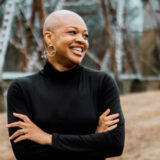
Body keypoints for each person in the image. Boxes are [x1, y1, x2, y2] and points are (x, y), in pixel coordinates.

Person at [6, 10, 125, 160]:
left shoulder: (102, 83)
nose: (81, 40)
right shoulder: (21, 89)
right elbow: (26, 154)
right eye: (72, 32)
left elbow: (115, 145)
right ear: (49, 38)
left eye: (85, 35)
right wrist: (95, 139)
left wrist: (48, 139)